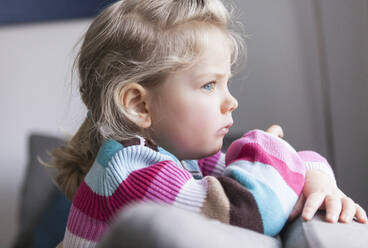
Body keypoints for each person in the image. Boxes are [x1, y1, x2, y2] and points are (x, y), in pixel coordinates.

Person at [49, 0, 367, 247]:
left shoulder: (183, 158)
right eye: (209, 85)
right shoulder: (129, 169)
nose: (231, 101)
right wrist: (267, 149)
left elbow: (284, 170)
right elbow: (245, 212)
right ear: (138, 105)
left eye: (225, 83)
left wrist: (318, 180)